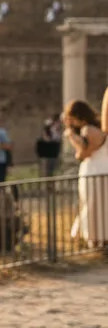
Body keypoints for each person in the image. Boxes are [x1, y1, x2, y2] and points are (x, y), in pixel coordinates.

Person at [65, 100, 108, 248]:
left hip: (94, 170)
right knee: (102, 205)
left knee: (91, 205)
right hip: (103, 170)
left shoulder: (87, 130)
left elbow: (84, 153)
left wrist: (71, 136)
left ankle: (94, 238)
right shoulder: (100, 128)